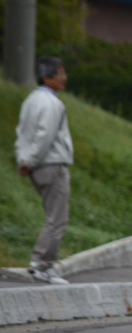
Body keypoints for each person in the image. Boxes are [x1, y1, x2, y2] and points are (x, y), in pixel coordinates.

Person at [15, 57, 73, 284]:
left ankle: (43, 265)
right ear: (47, 77)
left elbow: (22, 132)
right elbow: (44, 135)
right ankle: (42, 265)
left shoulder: (30, 100)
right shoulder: (52, 103)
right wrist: (30, 160)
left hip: (37, 165)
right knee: (57, 218)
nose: (64, 77)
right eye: (60, 73)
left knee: (53, 216)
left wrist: (24, 159)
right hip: (51, 164)